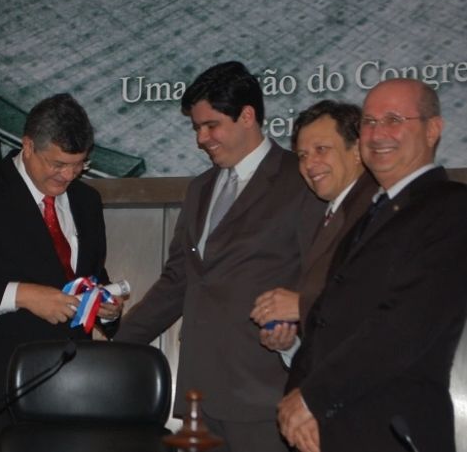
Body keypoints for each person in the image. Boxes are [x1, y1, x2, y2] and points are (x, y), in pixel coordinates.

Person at [113, 61, 323, 452]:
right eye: (196, 128)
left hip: (267, 396)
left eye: (211, 125)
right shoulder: (200, 189)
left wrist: (295, 328)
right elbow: (178, 282)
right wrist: (116, 344)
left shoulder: (300, 180)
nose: (201, 138)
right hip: (200, 398)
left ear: (247, 116)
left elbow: (321, 276)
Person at [0, 93, 123, 446]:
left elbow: (90, 275)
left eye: (79, 165)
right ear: (28, 146)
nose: (68, 175)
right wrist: (22, 295)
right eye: (58, 164)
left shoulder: (87, 201)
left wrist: (106, 309)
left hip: (73, 396)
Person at [279, 78, 467, 452]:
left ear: (432, 130)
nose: (378, 134)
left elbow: (406, 324)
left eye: (394, 119)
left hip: (394, 432)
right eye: (369, 122)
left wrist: (311, 398)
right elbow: (325, 321)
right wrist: (293, 402)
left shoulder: (452, 208)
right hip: (329, 430)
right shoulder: (369, 218)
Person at [250, 100, 376, 363]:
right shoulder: (331, 214)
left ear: (357, 150)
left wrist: (301, 305)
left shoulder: (377, 209)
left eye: (321, 149)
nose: (309, 164)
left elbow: (381, 298)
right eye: (302, 155)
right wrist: (290, 343)